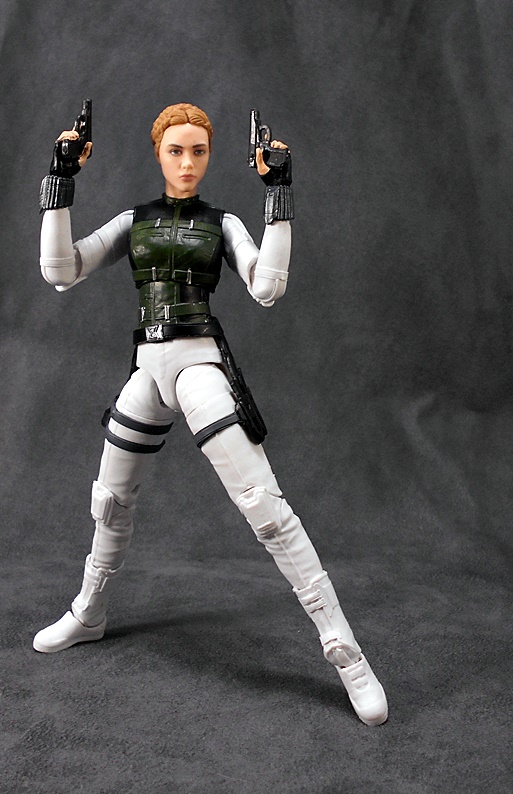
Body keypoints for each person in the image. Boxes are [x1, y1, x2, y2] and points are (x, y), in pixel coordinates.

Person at [33, 102, 388, 726]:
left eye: (198, 151)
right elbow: (61, 269)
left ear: (210, 154)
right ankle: (90, 610)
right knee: (110, 502)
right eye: (176, 150)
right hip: (148, 371)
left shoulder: (222, 224)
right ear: (158, 154)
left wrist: (278, 194)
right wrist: (60, 179)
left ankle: (346, 653)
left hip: (197, 367)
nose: (187, 163)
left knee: (264, 507)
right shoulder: (133, 221)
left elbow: (267, 285)